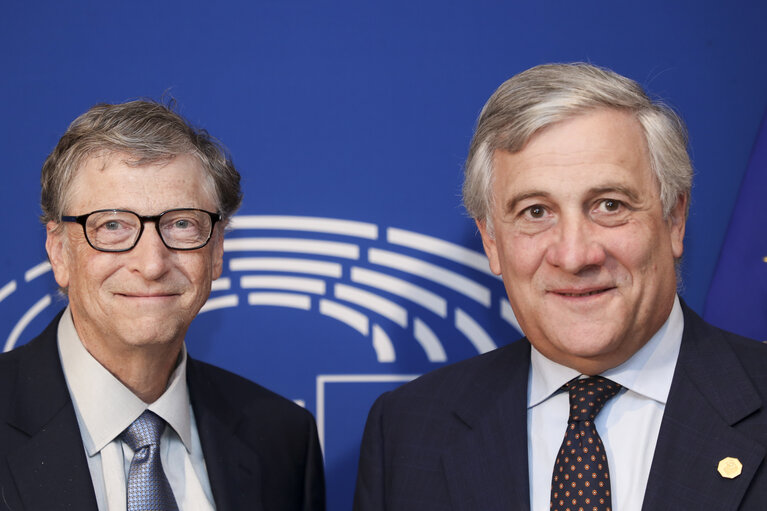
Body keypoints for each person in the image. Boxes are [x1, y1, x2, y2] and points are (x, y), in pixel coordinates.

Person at [354, 63, 767, 510]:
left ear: (674, 220)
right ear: (491, 240)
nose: (574, 256)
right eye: (535, 212)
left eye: (610, 205)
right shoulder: (407, 429)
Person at [0, 100, 325, 510]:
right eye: (113, 225)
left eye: (182, 223)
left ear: (218, 250)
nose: (152, 264)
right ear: (59, 252)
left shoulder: (282, 439)